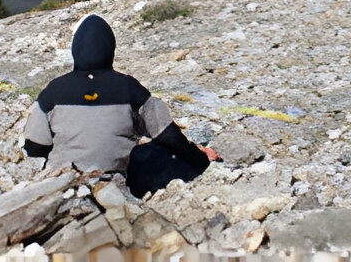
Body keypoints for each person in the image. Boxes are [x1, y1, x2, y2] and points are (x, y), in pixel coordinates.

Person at [23, 14, 215, 197]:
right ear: (110, 50)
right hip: (113, 183)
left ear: (75, 50)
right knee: (157, 152)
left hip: (63, 182)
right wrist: (202, 161)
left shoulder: (53, 91)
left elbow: (34, 147)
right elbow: (169, 135)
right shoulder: (130, 87)